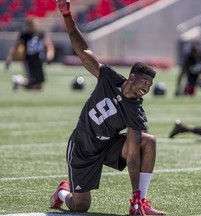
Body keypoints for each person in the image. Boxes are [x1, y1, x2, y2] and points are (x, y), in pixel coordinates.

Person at [49, 1, 166, 215]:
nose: (146, 88)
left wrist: (136, 194)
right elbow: (83, 51)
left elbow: (132, 154)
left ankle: (140, 203)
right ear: (132, 78)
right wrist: (67, 15)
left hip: (108, 146)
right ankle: (62, 192)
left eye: (149, 85)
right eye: (144, 83)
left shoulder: (136, 112)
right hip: (83, 146)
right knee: (80, 206)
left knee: (149, 141)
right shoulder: (109, 79)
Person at [5, 17, 55, 90]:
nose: (36, 26)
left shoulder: (41, 34)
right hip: (29, 60)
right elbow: (15, 46)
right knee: (34, 83)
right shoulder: (24, 35)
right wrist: (9, 57)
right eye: (33, 24)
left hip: (39, 60)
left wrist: (49, 56)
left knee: (39, 86)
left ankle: (19, 81)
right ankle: (19, 81)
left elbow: (49, 45)